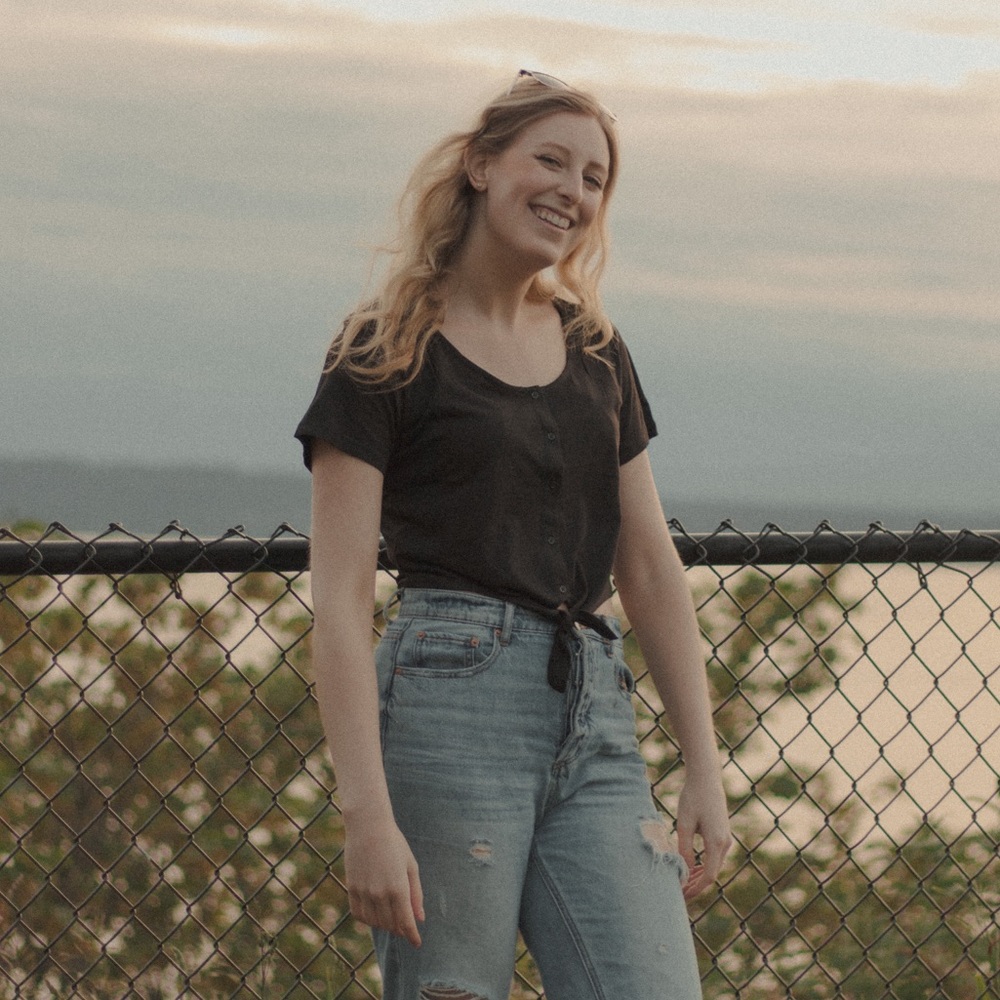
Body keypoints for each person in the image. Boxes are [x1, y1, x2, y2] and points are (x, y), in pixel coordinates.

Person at [295, 69, 731, 1000]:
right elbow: (337, 602)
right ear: (482, 165)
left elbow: (649, 568)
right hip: (445, 708)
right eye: (551, 161)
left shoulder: (596, 348)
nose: (572, 191)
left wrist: (703, 764)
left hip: (596, 711)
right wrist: (366, 814)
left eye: (594, 178)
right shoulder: (383, 348)